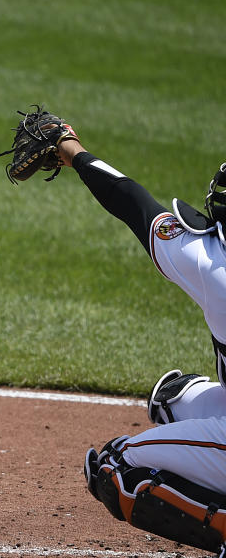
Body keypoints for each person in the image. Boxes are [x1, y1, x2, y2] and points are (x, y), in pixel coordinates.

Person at [41, 127, 226, 554]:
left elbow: (133, 202)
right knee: (172, 398)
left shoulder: (209, 263)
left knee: (116, 467)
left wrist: (73, 150)